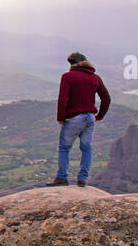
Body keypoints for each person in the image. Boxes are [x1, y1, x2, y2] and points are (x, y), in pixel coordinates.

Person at [46, 52, 111, 187]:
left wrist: (61, 118)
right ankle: (82, 179)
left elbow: (63, 99)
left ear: (72, 64)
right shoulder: (95, 78)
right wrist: (99, 116)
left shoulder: (68, 77)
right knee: (86, 148)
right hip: (90, 118)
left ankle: (62, 177)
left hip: (74, 118)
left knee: (64, 148)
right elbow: (106, 99)